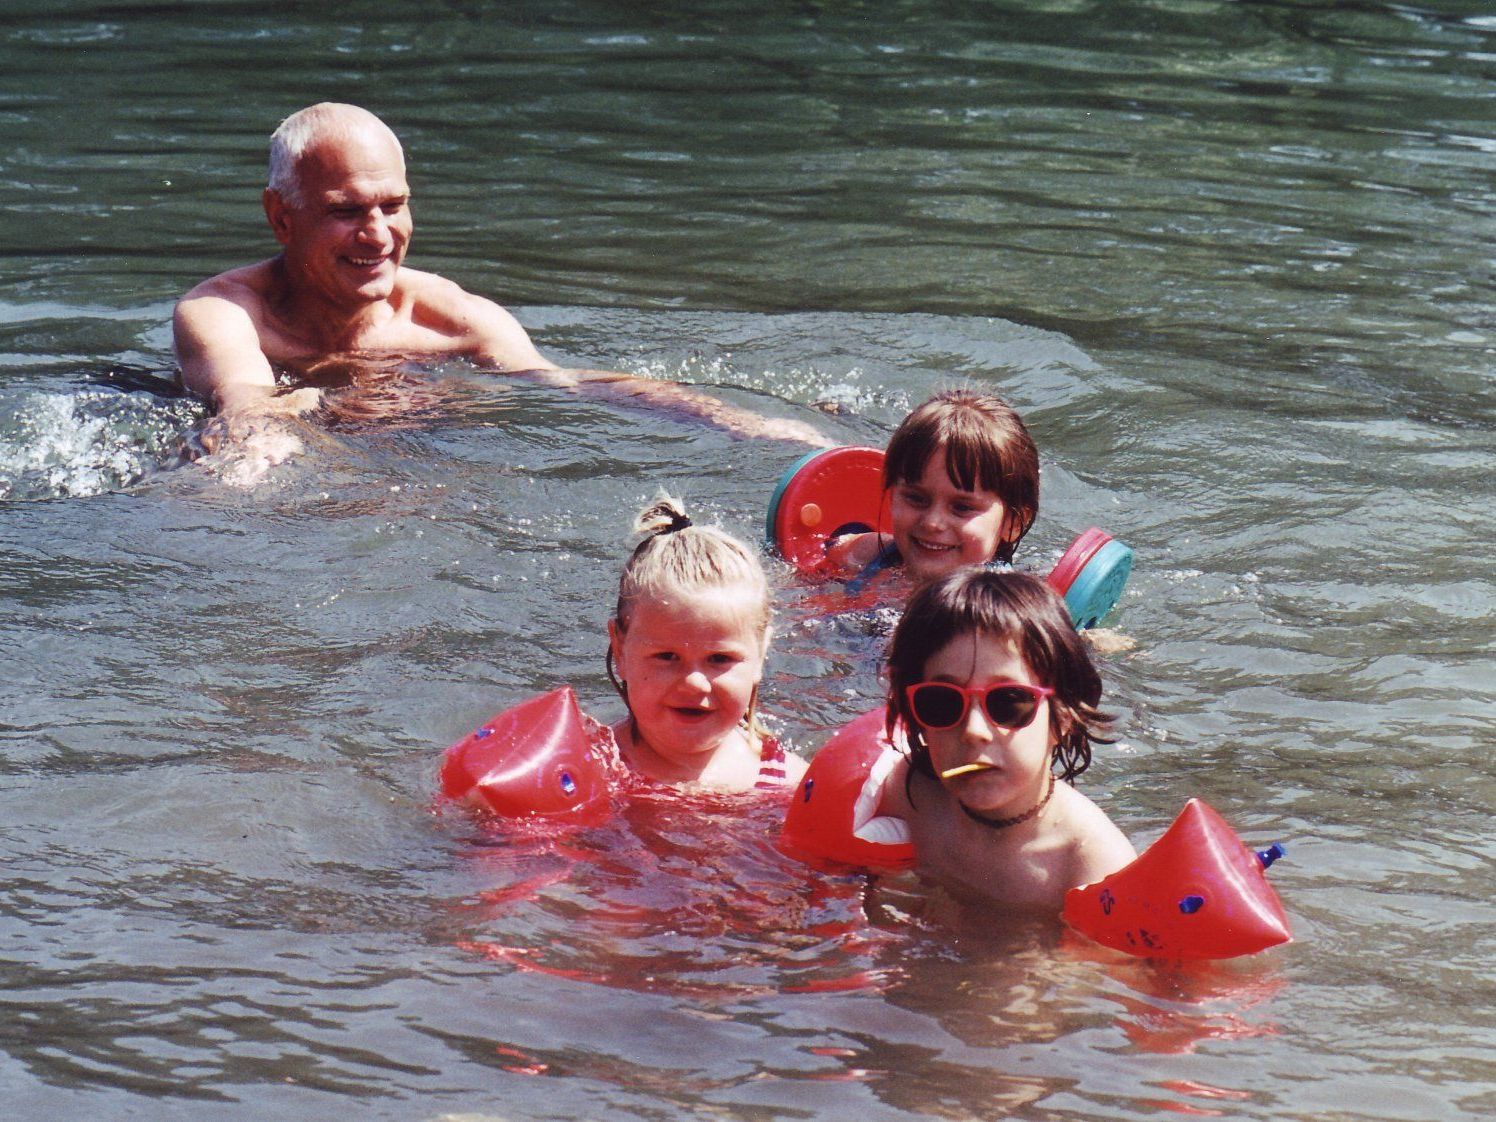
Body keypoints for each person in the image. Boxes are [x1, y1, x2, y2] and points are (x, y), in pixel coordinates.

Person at [173, 102, 827, 462]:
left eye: (393, 206)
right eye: (347, 211)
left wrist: (734, 420)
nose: (377, 235)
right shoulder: (224, 313)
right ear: (280, 217)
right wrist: (259, 465)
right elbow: (246, 400)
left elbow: (567, 384)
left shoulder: (453, 321)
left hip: (411, 464)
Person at [875, 567, 1135, 911]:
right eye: (941, 702)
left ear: (1061, 718)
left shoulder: (1091, 864)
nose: (973, 730)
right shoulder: (907, 795)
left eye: (1008, 702)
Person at [606, 495, 807, 792]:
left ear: (760, 654)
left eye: (719, 659)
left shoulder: (792, 785)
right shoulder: (588, 770)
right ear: (620, 650)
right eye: (666, 656)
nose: (695, 684)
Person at [825, 388, 1039, 588]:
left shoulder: (998, 611)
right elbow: (814, 549)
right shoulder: (870, 554)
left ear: (1013, 523)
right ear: (892, 494)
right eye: (916, 498)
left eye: (962, 507)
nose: (932, 523)